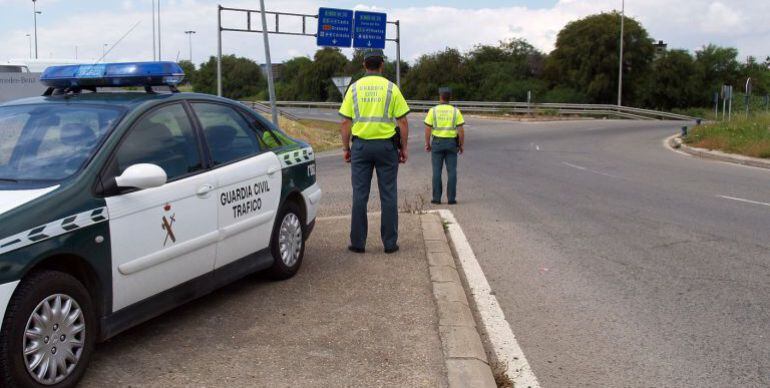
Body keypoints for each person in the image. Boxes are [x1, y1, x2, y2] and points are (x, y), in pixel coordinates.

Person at [339, 49, 410, 254]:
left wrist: (346, 148)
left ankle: (358, 243)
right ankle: (389, 243)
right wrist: (403, 148)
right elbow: (403, 121)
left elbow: (345, 121)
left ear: (364, 65)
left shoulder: (353, 89)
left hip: (361, 148)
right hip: (387, 148)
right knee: (388, 195)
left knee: (359, 195)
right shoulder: (391, 88)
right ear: (382, 65)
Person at [424, 87, 465, 205]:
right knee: (452, 171)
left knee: (436, 171)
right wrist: (461, 145)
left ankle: (436, 198)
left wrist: (427, 143)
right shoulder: (455, 111)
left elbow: (428, 128)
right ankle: (451, 198)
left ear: (440, 97)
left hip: (437, 143)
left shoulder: (433, 111)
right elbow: (461, 130)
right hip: (452, 143)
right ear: (450, 98)